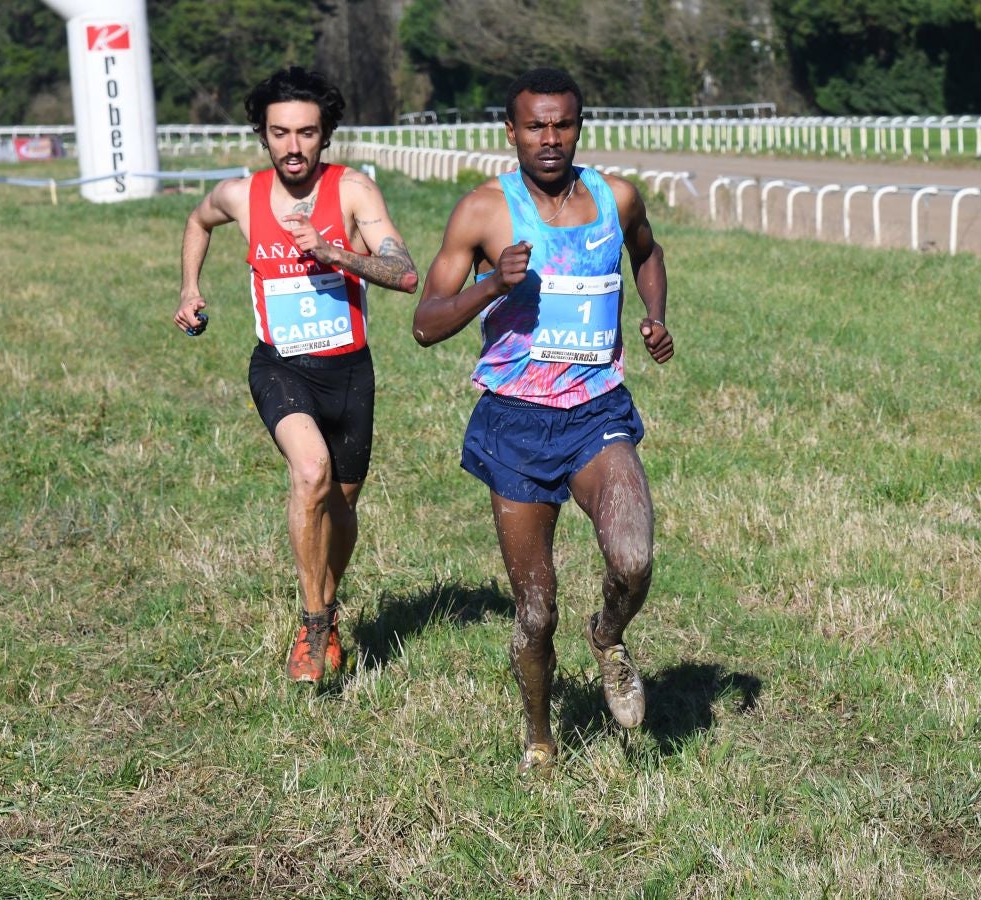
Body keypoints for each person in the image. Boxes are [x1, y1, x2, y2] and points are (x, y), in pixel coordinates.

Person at [413, 67, 674, 774]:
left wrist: (654, 316)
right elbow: (425, 324)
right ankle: (539, 738)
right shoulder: (482, 213)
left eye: (562, 124)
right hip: (517, 422)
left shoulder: (615, 198)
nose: (550, 138)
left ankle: (609, 637)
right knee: (535, 610)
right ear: (512, 130)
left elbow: (647, 255)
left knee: (634, 556)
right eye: (536, 126)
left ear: (579, 126)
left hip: (596, 412)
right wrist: (491, 285)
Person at [173, 67, 419, 682]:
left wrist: (333, 251)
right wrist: (190, 288)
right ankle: (312, 627)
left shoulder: (354, 191)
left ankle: (327, 611)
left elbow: (405, 272)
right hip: (280, 366)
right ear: (263, 134)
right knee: (310, 473)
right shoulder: (240, 195)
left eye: (306, 133)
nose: (293, 146)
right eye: (280, 132)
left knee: (340, 508)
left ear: (324, 134)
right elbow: (198, 221)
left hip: (349, 373)